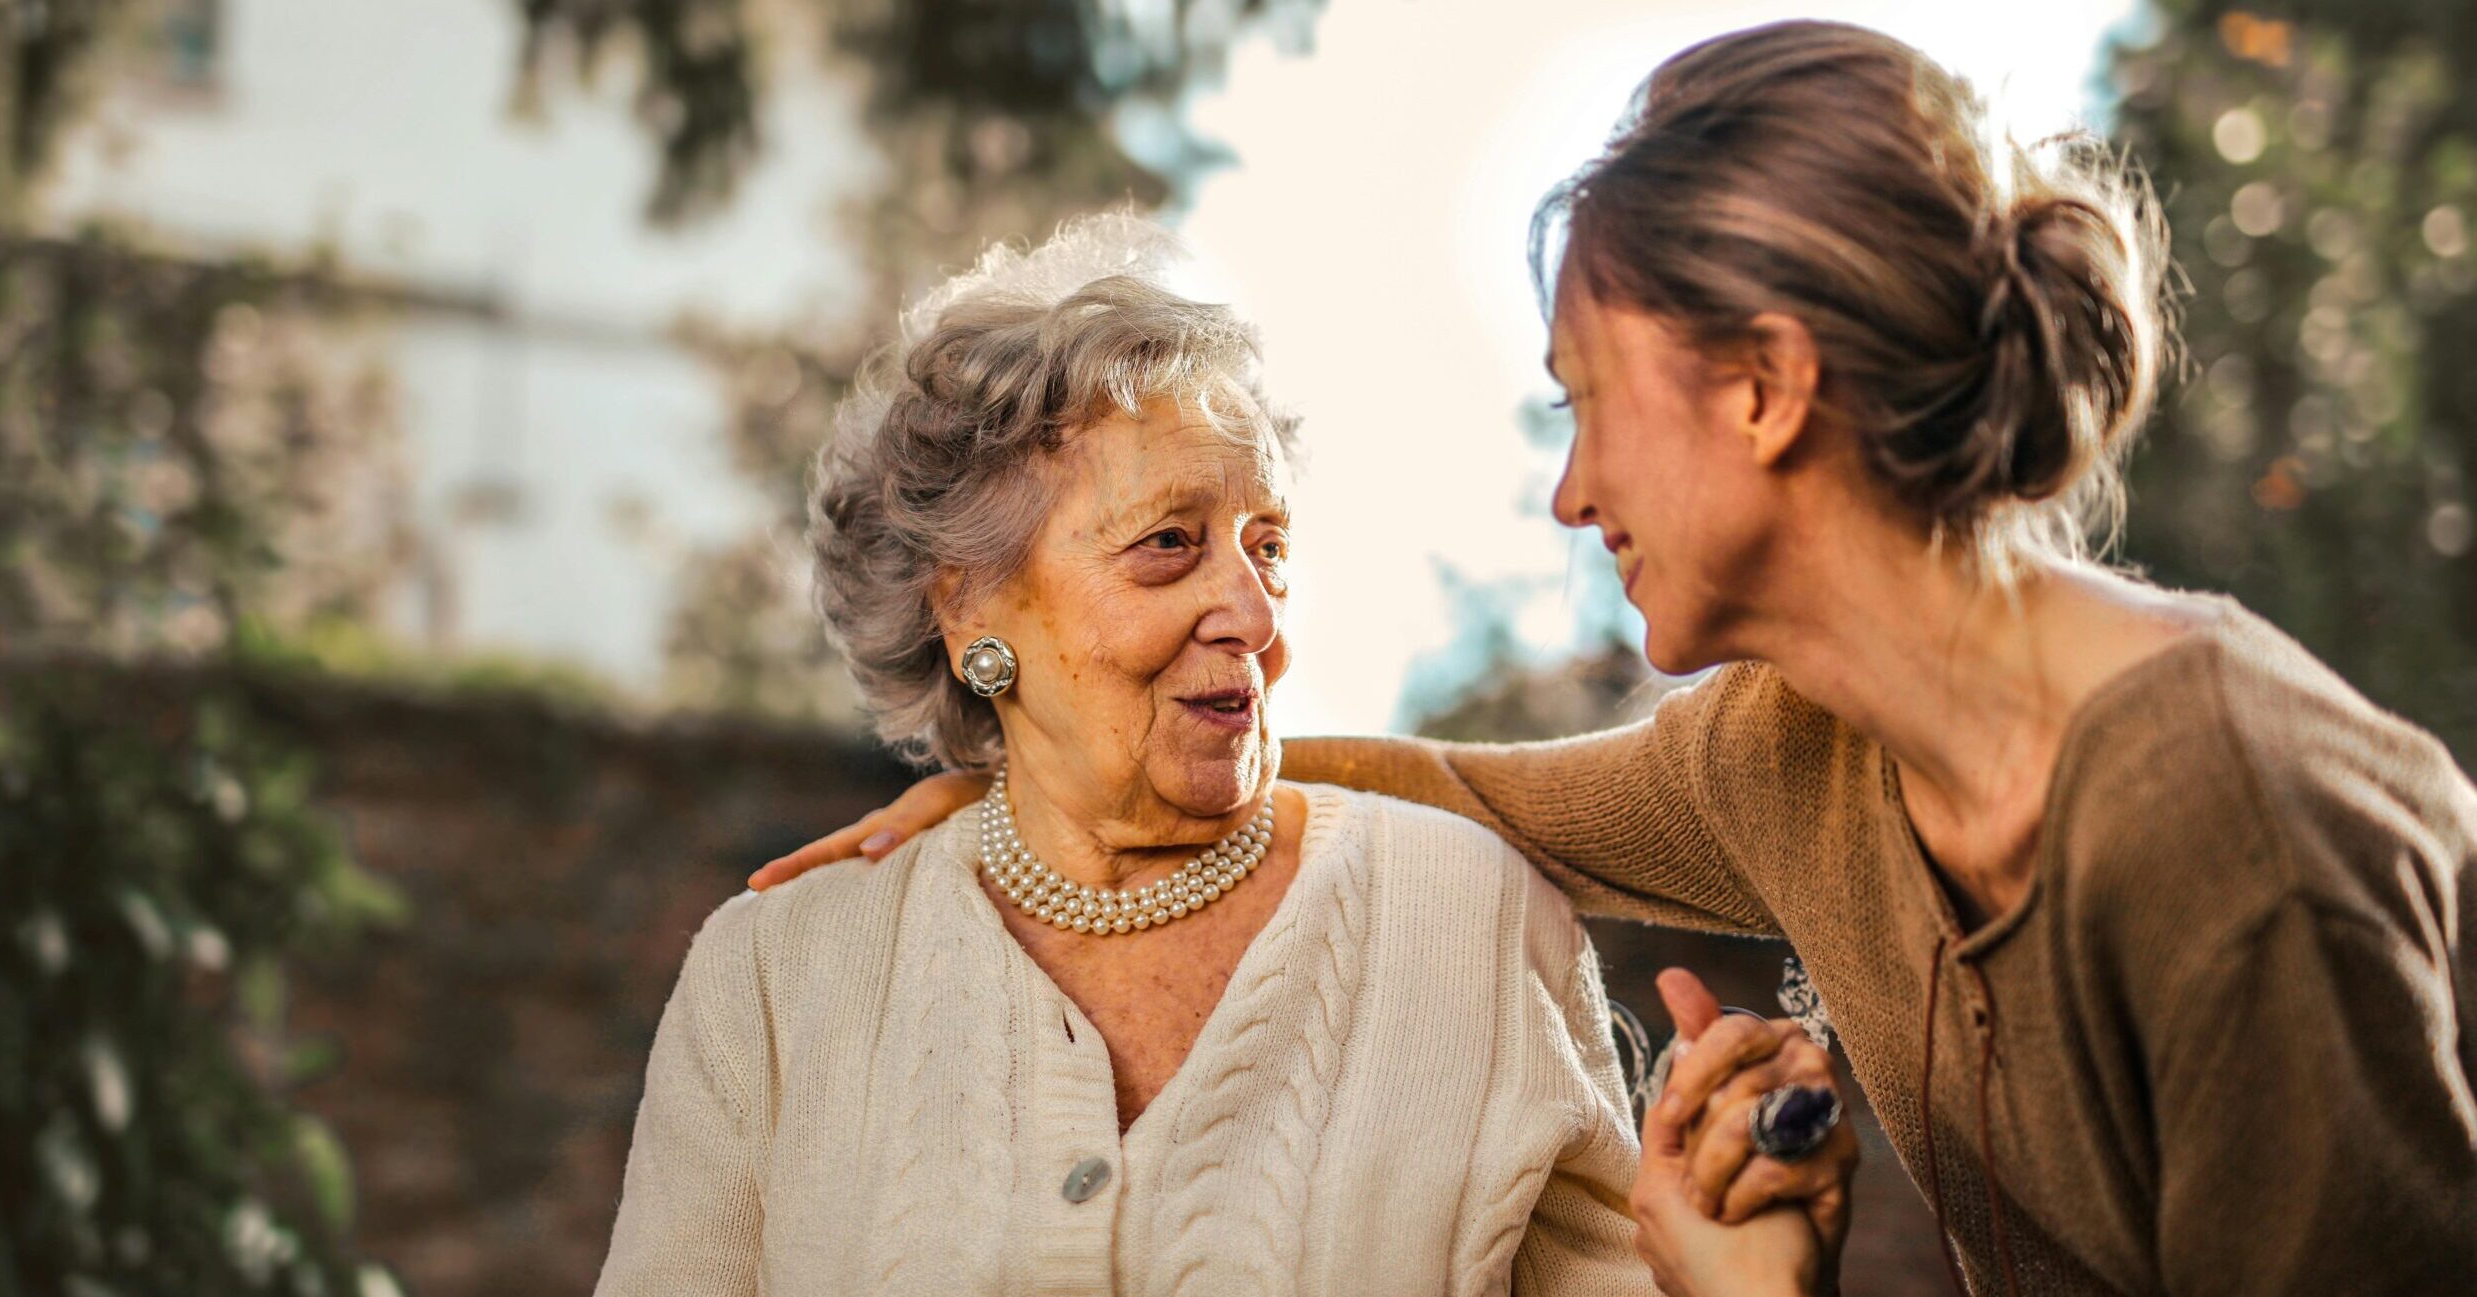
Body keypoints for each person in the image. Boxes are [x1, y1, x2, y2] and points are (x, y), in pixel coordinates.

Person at [750, 21, 2477, 1297]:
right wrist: (1038, 787)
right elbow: (1451, 788)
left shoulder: (2227, 829)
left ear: (1765, 386)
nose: (1571, 492)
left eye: (1587, 403)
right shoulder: (1795, 751)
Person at [593, 216, 1733, 1297]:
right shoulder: (776, 976)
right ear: (970, 607)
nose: (1250, 609)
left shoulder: (1472, 918)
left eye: (1268, 545)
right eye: (1169, 544)